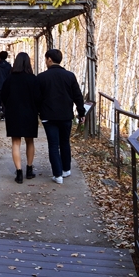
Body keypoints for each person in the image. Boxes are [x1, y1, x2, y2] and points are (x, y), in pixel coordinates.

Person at [37, 48, 85, 184]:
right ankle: (66, 169)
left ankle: (57, 175)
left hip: (49, 116)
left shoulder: (41, 77)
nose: (45, 61)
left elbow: (37, 98)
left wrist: (39, 111)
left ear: (49, 59)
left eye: (46, 59)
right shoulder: (70, 76)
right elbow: (78, 96)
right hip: (66, 116)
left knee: (53, 145)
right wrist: (81, 113)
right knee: (64, 142)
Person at [1, 52, 39, 183]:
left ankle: (19, 173)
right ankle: (29, 170)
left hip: (14, 113)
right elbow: (38, 98)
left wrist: (9, 107)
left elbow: (3, 96)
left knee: (16, 143)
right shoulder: (33, 79)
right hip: (30, 113)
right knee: (30, 141)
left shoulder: (10, 79)